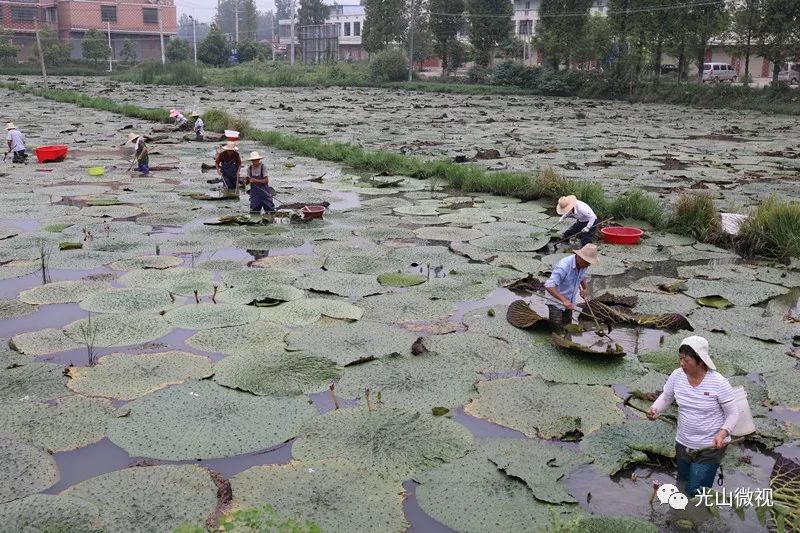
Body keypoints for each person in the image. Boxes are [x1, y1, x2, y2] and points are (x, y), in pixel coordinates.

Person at [648, 336, 739, 497]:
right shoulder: (677, 376)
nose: (682, 363)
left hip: (709, 446)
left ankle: (697, 520)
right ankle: (678, 518)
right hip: (683, 443)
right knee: (682, 482)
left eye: (687, 360)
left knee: (696, 490)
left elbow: (733, 413)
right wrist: (656, 409)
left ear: (701, 361)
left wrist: (722, 433)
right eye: (680, 358)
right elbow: (667, 396)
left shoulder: (719, 383)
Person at [544, 243, 599, 328]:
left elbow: (582, 276)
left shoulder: (583, 265)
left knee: (567, 326)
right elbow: (549, 285)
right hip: (556, 301)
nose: (589, 265)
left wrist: (585, 289)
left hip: (569, 301)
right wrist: (563, 300)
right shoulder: (564, 266)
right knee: (556, 328)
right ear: (580, 257)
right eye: (588, 262)